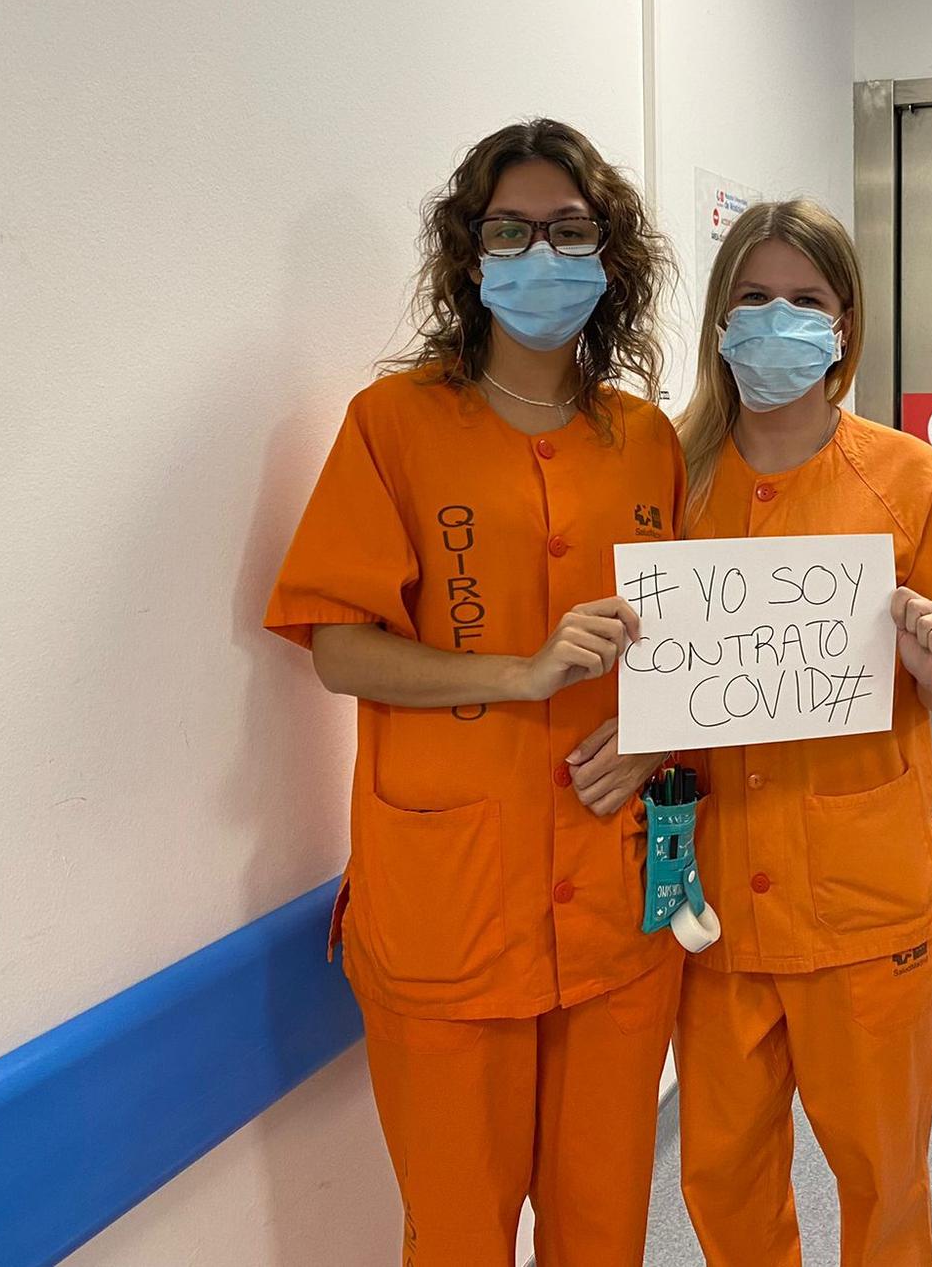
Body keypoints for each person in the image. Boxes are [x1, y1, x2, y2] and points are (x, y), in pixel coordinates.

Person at [263, 119, 684, 1267]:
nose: (540, 253)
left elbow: (687, 655)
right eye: (511, 228)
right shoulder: (394, 426)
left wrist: (651, 745)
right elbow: (337, 646)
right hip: (448, 904)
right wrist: (518, 669)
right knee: (456, 1233)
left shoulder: (645, 440)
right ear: (469, 254)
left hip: (612, 890)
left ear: (609, 259)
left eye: (569, 229)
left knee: (602, 1228)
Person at [672, 199, 932, 1266]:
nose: (778, 322)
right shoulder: (665, 479)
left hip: (865, 909)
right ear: (718, 323)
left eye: (804, 301)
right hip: (707, 903)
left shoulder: (906, 478)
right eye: (751, 299)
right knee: (720, 1175)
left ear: (845, 323)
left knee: (881, 1176)